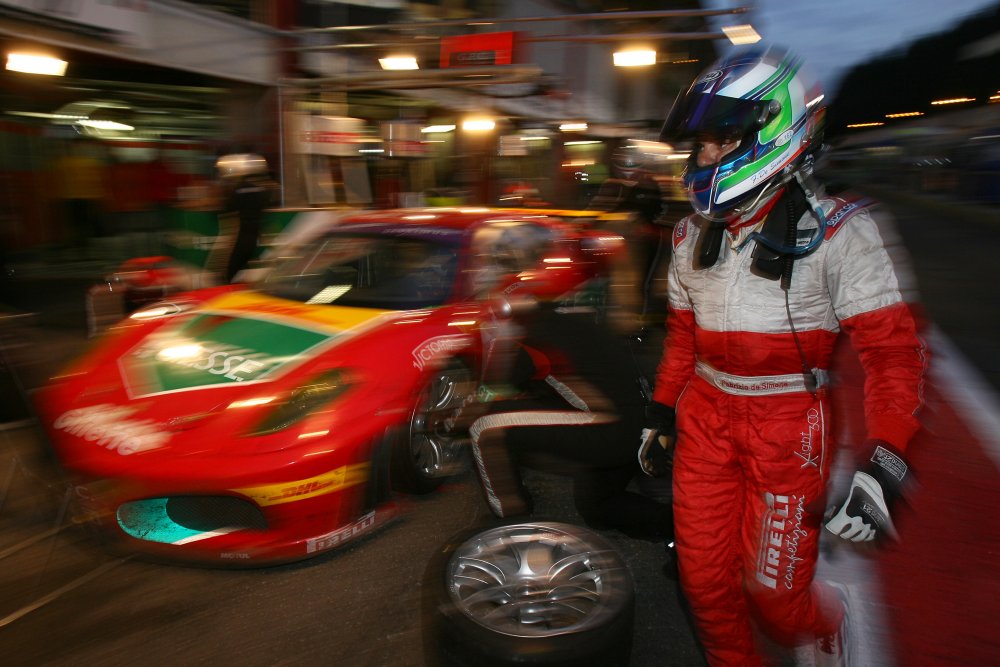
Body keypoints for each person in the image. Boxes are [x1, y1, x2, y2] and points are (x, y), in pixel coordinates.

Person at [642, 45, 927, 665]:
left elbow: (893, 355)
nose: (704, 156)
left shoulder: (841, 231)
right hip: (706, 420)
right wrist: (662, 410)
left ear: (775, 131)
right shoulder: (689, 234)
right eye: (701, 144)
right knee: (704, 588)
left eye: (719, 140)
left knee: (774, 600)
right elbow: (682, 339)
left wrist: (885, 464)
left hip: (790, 426)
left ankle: (827, 621)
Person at [469, 294, 674, 542]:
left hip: (611, 429)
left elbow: (496, 388)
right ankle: (681, 528)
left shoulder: (528, 336)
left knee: (485, 425)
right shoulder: (571, 318)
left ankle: (510, 523)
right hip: (642, 427)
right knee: (597, 506)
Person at [216, 153, 276, 282]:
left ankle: (228, 286)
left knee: (233, 266)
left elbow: (228, 207)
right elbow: (267, 205)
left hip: (242, 232)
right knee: (247, 262)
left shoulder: (239, 188)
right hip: (256, 232)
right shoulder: (262, 189)